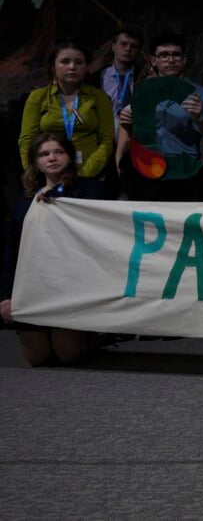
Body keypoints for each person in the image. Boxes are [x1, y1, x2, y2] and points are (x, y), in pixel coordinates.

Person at [2, 132, 103, 366]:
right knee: (37, 359)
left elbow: (92, 219)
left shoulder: (88, 187)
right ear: (35, 161)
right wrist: (6, 296)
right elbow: (12, 248)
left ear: (69, 156)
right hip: (34, 283)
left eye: (59, 152)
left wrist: (59, 200)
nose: (52, 158)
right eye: (44, 154)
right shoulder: (26, 197)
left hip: (68, 282)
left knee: (68, 355)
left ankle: (97, 336)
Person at [116, 29, 203, 201]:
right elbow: (132, 135)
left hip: (185, 171)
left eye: (176, 55)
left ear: (184, 59)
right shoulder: (141, 94)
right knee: (149, 225)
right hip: (147, 169)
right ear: (154, 60)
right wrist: (127, 123)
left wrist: (198, 118)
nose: (171, 60)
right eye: (164, 55)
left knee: (185, 226)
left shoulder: (202, 94)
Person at [19, 41, 115, 181]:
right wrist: (34, 172)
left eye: (79, 62)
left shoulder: (98, 96)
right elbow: (27, 139)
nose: (72, 67)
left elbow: (107, 141)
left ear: (87, 67)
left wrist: (85, 174)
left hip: (89, 176)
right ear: (53, 66)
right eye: (65, 61)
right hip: (47, 177)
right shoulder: (38, 97)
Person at [100, 25, 144, 127]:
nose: (128, 49)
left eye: (134, 46)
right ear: (114, 46)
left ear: (139, 50)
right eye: (123, 44)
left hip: (136, 136)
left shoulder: (145, 78)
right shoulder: (97, 78)